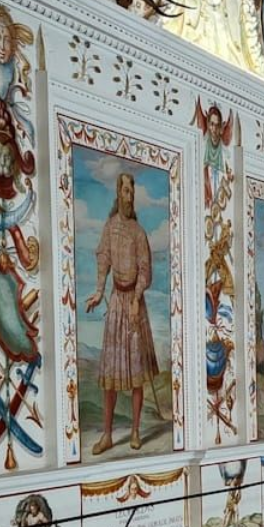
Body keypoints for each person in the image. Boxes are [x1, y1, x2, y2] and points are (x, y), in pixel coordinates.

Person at [84, 172, 161, 454]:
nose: (129, 196)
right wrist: (99, 290)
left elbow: (145, 269)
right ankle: (106, 435)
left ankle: (136, 430)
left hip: (134, 304)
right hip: (116, 302)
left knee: (137, 373)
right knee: (111, 373)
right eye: (125, 191)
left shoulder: (138, 233)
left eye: (132, 192)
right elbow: (103, 259)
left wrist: (137, 297)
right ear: (118, 194)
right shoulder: (109, 227)